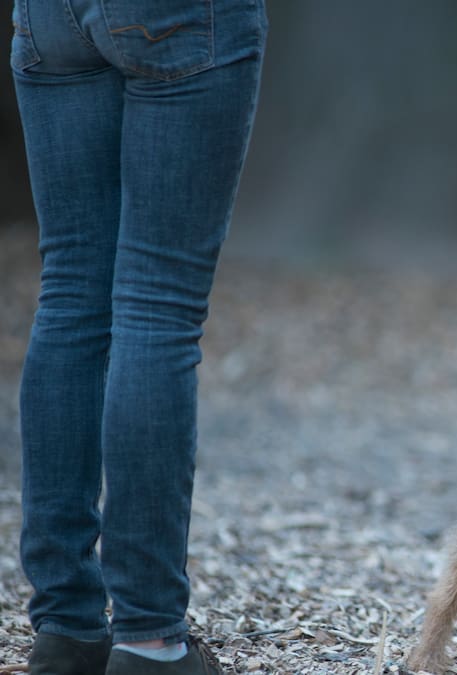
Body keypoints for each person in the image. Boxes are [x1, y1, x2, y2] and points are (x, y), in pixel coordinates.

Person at [10, 1, 267, 673]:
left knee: (70, 291)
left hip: (50, 15)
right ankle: (151, 636)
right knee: (159, 302)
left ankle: (66, 625)